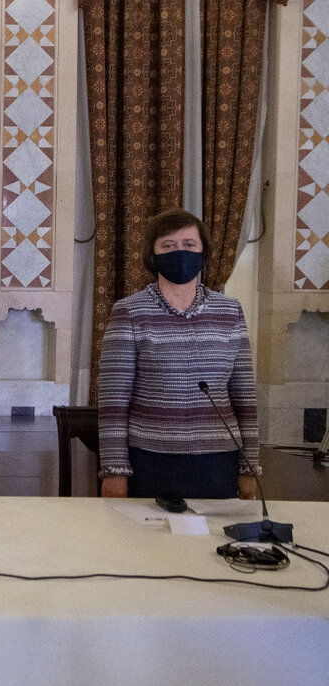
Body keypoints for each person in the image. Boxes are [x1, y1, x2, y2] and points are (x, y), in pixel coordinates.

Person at [98, 208, 259, 500]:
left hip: (218, 462)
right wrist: (114, 470)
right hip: (151, 461)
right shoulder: (129, 311)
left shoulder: (230, 311)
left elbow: (244, 397)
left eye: (189, 244)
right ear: (152, 255)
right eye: (168, 246)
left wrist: (250, 468)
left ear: (203, 252)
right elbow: (113, 403)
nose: (180, 252)